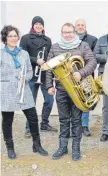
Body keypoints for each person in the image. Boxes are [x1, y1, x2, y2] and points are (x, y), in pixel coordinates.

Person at [45, 23, 97, 161]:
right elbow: (49, 67)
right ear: (61, 33)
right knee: (63, 120)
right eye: (65, 32)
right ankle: (62, 148)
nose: (67, 34)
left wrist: (81, 72)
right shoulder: (55, 46)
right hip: (61, 89)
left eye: (70, 32)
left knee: (76, 120)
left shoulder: (83, 45)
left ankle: (76, 148)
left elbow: (92, 62)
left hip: (78, 90)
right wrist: (49, 85)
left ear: (74, 32)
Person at [1, 25, 48, 159]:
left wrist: (24, 79)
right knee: (7, 120)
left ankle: (37, 145)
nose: (13, 38)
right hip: (7, 91)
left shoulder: (24, 53)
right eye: (10, 36)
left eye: (15, 35)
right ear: (5, 38)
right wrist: (10, 79)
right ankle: (10, 148)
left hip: (24, 89)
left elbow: (29, 71)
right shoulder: (1, 54)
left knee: (33, 117)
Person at [19, 16, 57, 139]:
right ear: (32, 25)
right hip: (31, 75)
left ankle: (44, 124)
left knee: (49, 100)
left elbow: (50, 56)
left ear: (43, 26)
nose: (38, 26)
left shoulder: (48, 39)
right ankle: (28, 128)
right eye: (36, 24)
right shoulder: (25, 38)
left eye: (40, 24)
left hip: (45, 75)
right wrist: (36, 60)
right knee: (31, 102)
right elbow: (21, 55)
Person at [75, 18, 98, 137]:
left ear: (85, 26)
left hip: (87, 75)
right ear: (75, 27)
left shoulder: (93, 40)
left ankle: (84, 126)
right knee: (73, 100)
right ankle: (74, 126)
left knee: (85, 101)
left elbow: (93, 59)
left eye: (82, 25)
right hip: (72, 75)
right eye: (78, 25)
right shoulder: (69, 39)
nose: (80, 27)